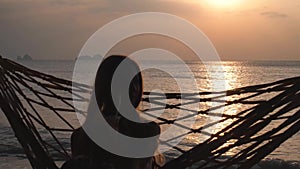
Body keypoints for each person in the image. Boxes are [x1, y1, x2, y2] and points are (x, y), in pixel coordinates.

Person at [61, 55, 164, 169]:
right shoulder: (82, 137)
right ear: (107, 85)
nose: (135, 88)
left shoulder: (146, 130)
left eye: (137, 81)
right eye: (127, 81)